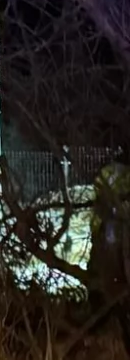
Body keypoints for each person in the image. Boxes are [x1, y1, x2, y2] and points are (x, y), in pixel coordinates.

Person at [90, 145, 130, 344]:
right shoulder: (124, 175)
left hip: (107, 229)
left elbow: (98, 199)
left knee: (107, 272)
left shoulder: (107, 172)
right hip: (115, 229)